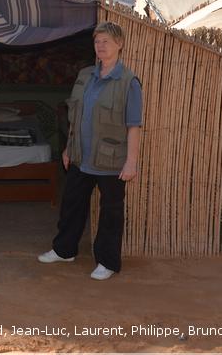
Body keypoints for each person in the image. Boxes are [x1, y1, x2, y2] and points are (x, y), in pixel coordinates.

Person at [38, 21, 142, 280]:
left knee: (111, 213)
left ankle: (107, 261)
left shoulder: (128, 82)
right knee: (71, 205)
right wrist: (68, 148)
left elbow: (133, 125)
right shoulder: (85, 76)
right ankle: (64, 250)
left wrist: (131, 162)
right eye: (97, 42)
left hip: (111, 160)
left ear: (120, 44)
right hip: (80, 156)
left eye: (106, 41)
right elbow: (76, 117)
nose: (100, 46)